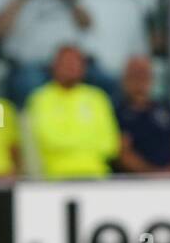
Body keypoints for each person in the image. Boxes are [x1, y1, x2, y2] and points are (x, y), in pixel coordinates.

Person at [26, 45, 120, 179]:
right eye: (66, 62)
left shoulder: (98, 98)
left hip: (96, 175)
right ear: (54, 66)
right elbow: (47, 140)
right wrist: (87, 144)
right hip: (54, 177)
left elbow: (110, 145)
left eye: (75, 62)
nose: (71, 67)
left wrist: (68, 144)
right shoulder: (40, 99)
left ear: (83, 68)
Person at [115, 55, 170, 173]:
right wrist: (152, 176)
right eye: (135, 74)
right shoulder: (118, 113)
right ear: (125, 78)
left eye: (144, 73)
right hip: (134, 183)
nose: (140, 79)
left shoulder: (166, 109)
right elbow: (122, 154)